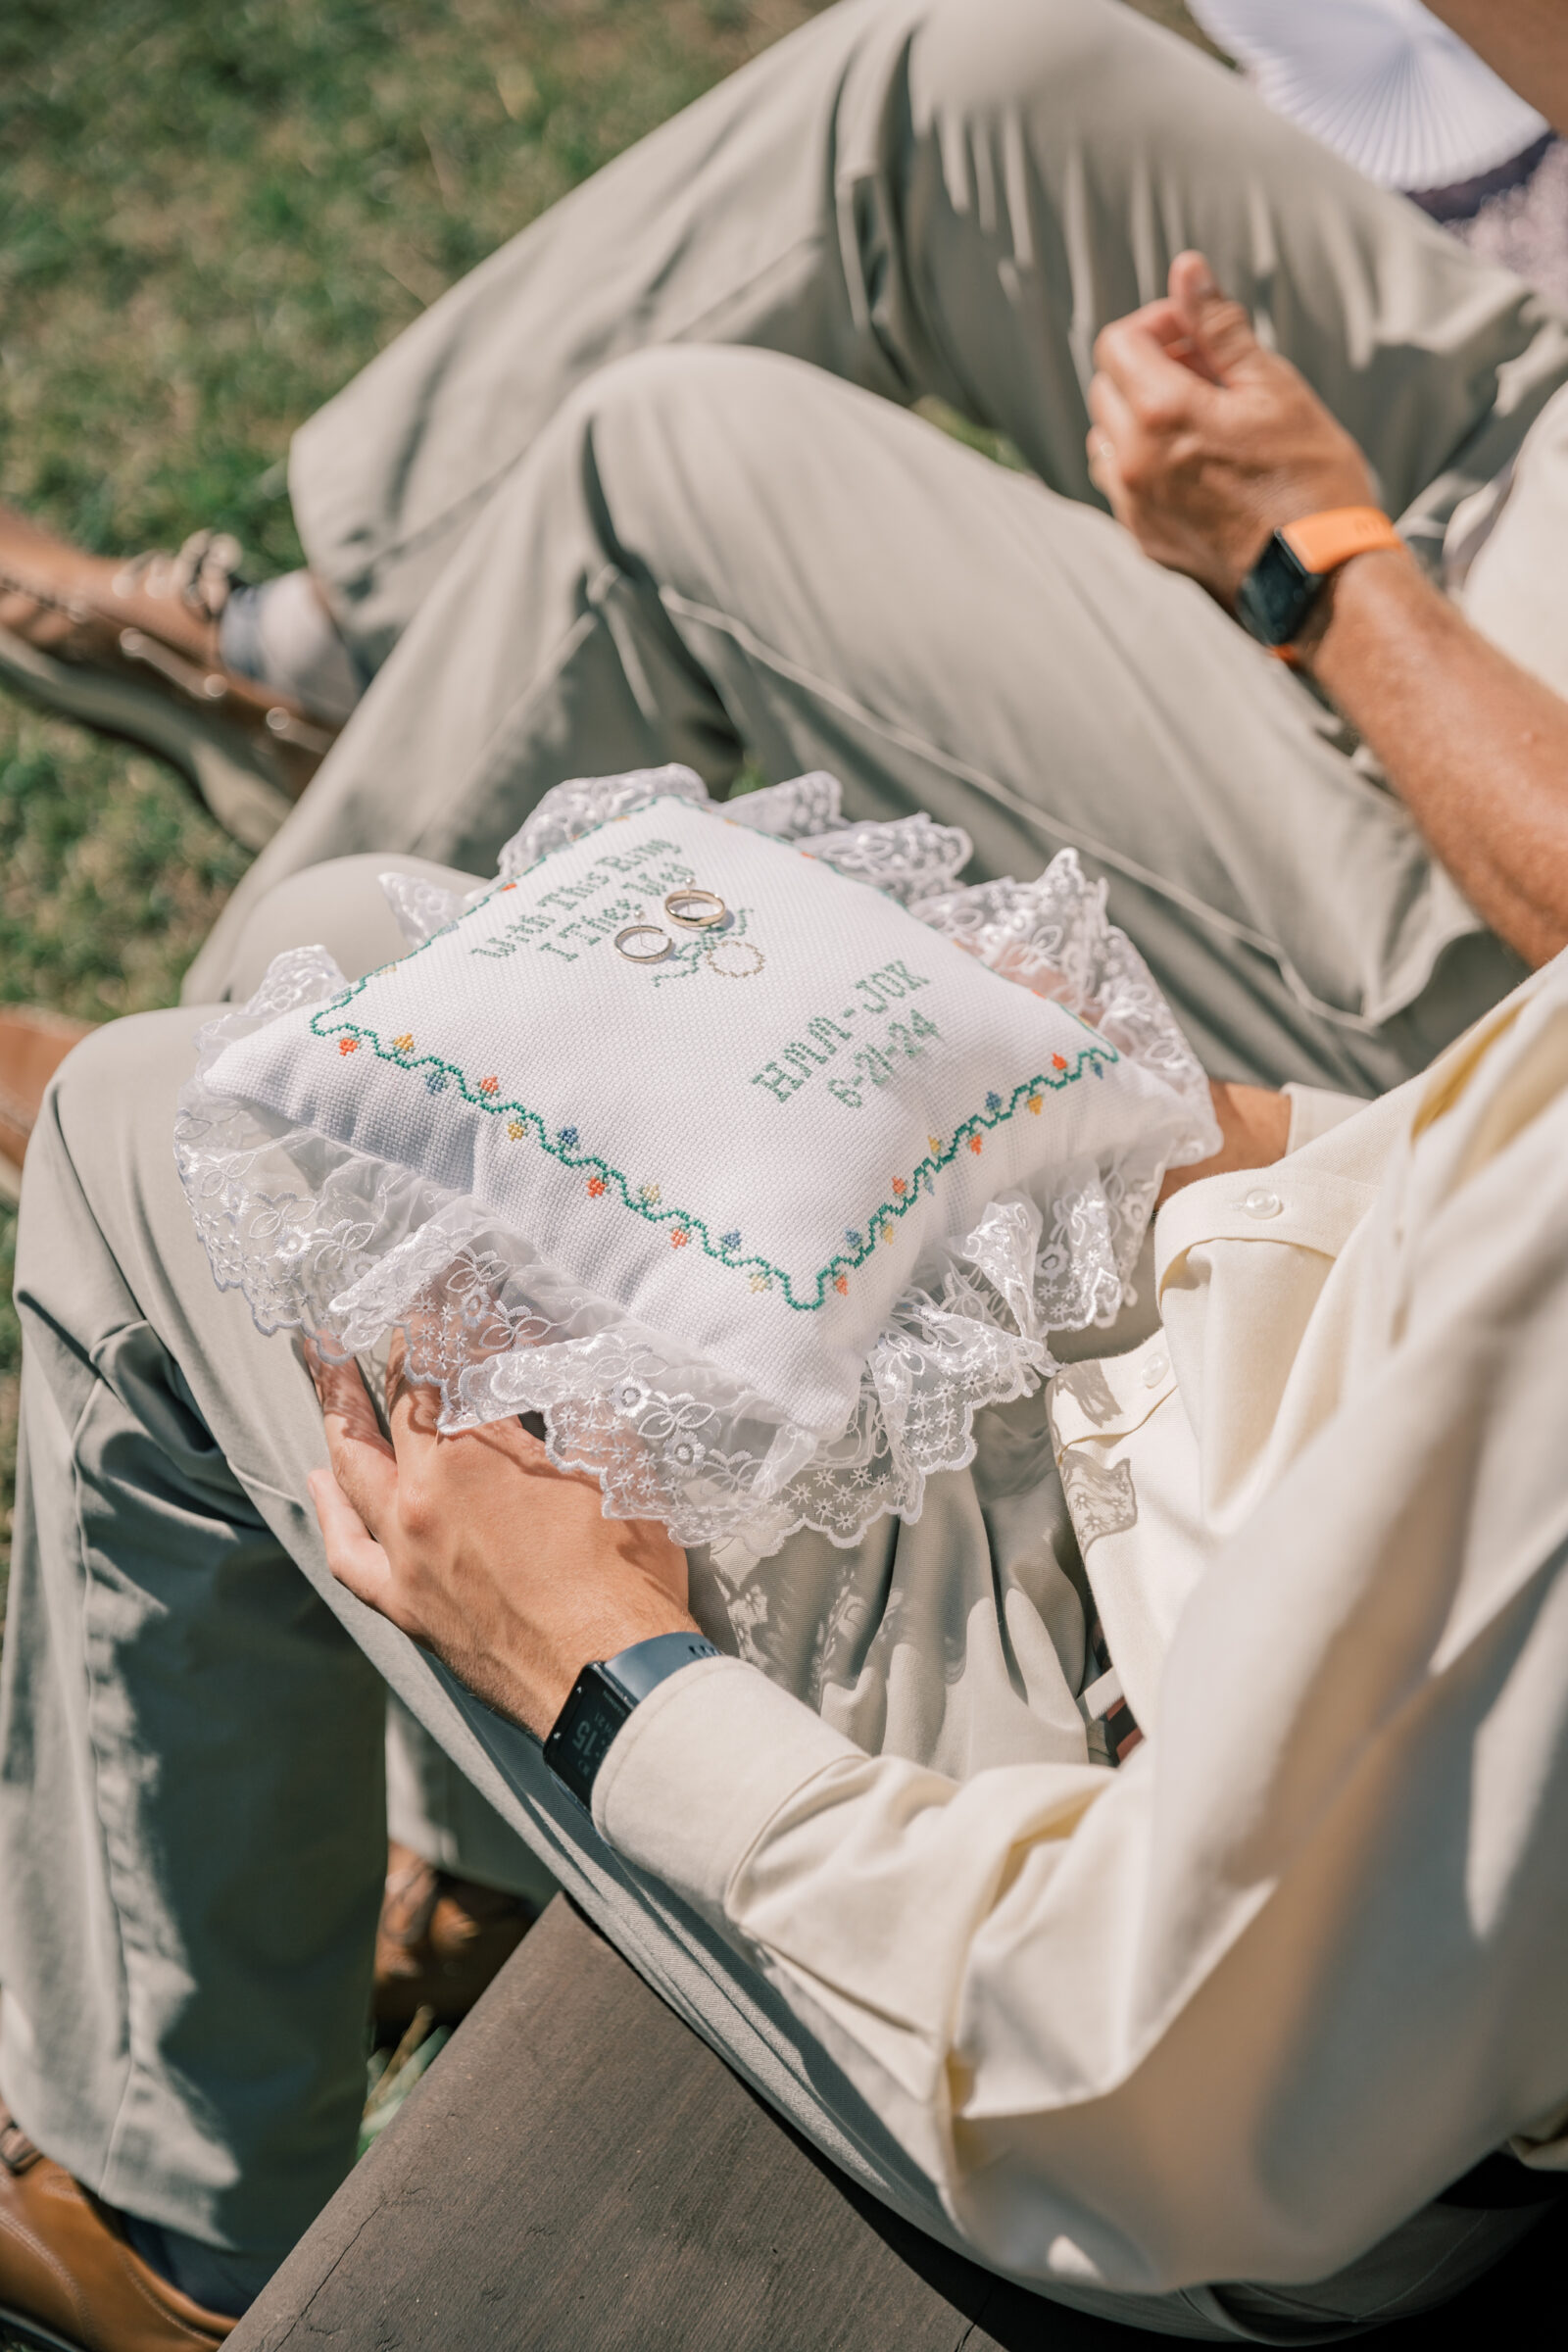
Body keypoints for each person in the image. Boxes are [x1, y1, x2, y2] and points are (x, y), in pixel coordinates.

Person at [3, 0, 1568, 2343]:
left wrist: (600, 1670)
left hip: (1076, 1800)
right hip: (1211, 1410)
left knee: (164, 1130)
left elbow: (1138, 2072)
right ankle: (276, 1995)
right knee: (345, 975)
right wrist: (1171, 1140)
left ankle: (170, 2223)